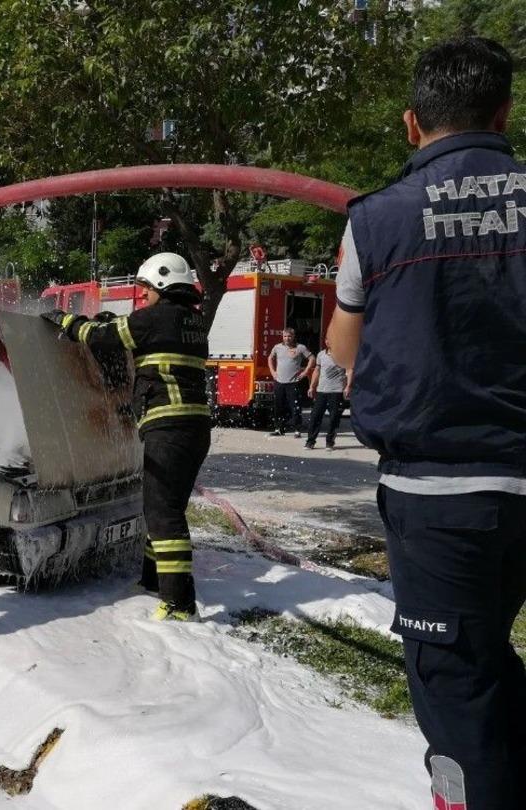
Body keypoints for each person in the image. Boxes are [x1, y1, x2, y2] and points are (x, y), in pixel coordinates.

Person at [328, 38, 526, 810]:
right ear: (505, 114)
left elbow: (344, 349)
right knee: (492, 668)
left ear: (412, 124)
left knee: (455, 683)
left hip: (442, 500)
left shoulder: (376, 219)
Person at [42, 252, 210, 621]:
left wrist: (66, 321)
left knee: (163, 513)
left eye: (146, 288)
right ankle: (153, 579)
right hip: (195, 429)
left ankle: (180, 604)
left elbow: (99, 338)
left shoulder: (154, 317)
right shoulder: (193, 321)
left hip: (170, 427)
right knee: (165, 507)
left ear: (161, 285)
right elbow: (140, 333)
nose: (143, 296)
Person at [266, 328, 314, 438]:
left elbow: (312, 358)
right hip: (279, 381)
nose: (287, 338)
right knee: (279, 406)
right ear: (282, 336)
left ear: (293, 336)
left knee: (295, 406)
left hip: (293, 382)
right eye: (285, 336)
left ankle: (297, 429)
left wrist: (305, 372)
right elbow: (270, 358)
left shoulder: (300, 348)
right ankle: (279, 428)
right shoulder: (277, 347)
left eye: (289, 336)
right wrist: (273, 371)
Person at [304, 341, 351, 450]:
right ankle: (310, 442)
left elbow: (349, 370)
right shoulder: (321, 354)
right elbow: (317, 371)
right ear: (326, 342)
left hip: (337, 391)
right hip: (322, 391)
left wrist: (348, 386)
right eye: (328, 340)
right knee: (315, 417)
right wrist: (312, 386)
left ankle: (329, 442)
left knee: (334, 418)